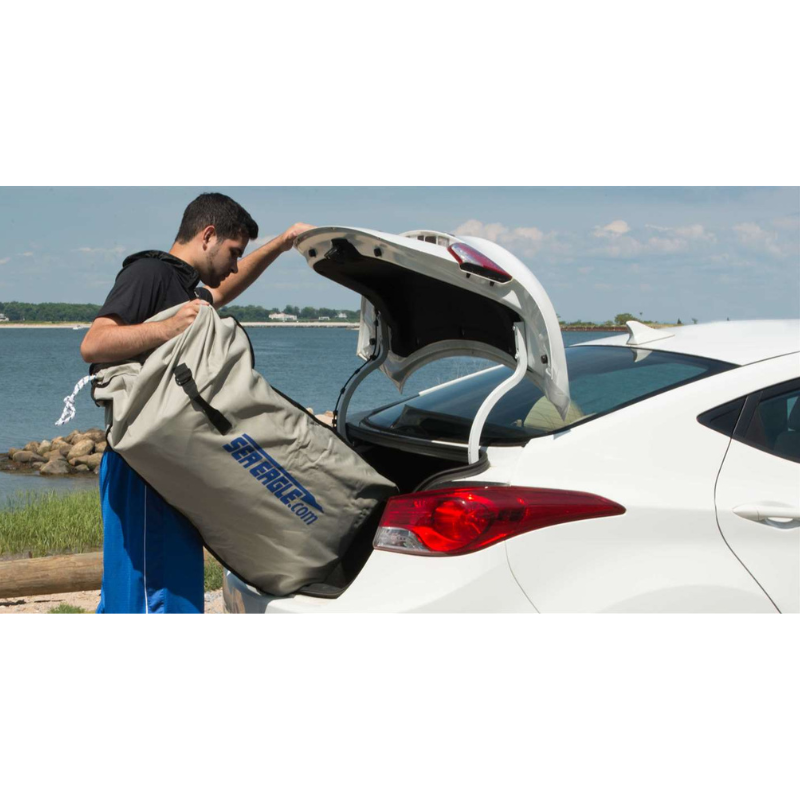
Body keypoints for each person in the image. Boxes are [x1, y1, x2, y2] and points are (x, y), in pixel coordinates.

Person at [81, 192, 312, 614]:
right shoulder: (149, 272)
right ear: (208, 235)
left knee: (169, 589)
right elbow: (94, 343)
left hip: (167, 462)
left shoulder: (182, 283)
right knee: (150, 598)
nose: (236, 263)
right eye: (234, 251)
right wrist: (169, 328)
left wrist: (281, 244)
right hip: (140, 467)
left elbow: (222, 292)